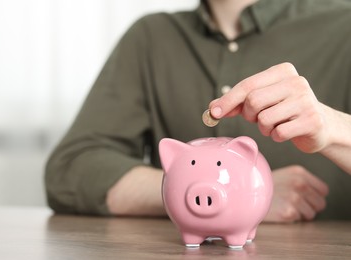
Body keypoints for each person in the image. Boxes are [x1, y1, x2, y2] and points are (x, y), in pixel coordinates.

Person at [45, 0, 351, 222]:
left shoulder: (344, 26)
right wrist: (234, 194)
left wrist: (333, 127)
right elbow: (70, 171)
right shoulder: (150, 37)